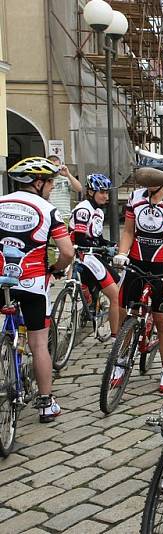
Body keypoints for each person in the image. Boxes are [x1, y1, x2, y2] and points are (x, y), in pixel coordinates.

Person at [0, 157, 74, 422]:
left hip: (0, 279)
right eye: (50, 181)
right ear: (38, 182)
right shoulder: (48, 210)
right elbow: (67, 252)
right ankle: (45, 402)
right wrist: (55, 269)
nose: (53, 186)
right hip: (32, 282)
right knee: (38, 343)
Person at [112, 183, 163, 393]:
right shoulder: (135, 197)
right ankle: (119, 362)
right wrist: (122, 253)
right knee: (126, 315)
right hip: (137, 262)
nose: (151, 183)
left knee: (162, 322)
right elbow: (128, 231)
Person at [69, 173, 121, 341]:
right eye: (102, 192)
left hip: (93, 255)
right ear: (91, 192)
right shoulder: (84, 209)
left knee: (119, 278)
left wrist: (111, 245)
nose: (106, 196)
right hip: (84, 256)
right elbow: (80, 239)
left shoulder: (97, 210)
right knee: (115, 295)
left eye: (107, 193)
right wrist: (102, 248)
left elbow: (96, 237)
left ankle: (92, 300)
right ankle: (115, 337)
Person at [47, 154, 83, 219]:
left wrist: (68, 174)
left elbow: (79, 189)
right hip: (49, 216)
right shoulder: (45, 180)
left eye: (57, 166)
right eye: (52, 166)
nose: (55, 168)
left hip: (64, 216)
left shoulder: (66, 179)